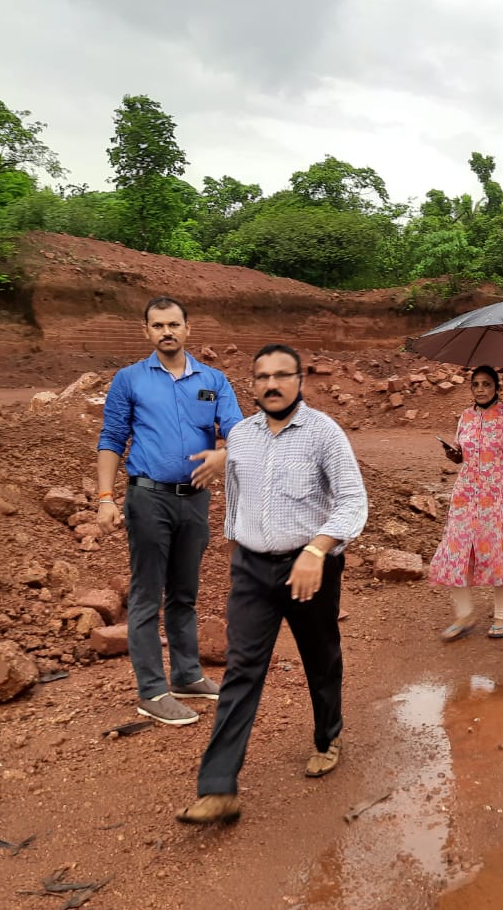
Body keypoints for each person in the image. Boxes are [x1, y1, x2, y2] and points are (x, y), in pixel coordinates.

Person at [176, 343, 368, 825]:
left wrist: (316, 550)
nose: (272, 385)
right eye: (262, 377)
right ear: (252, 384)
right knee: (242, 670)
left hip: (310, 569)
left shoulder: (325, 433)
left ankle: (328, 736)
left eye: (282, 375)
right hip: (252, 570)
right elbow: (237, 500)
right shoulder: (240, 436)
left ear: (300, 380)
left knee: (320, 659)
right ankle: (218, 787)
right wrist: (234, 546)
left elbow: (353, 502)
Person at [96, 296, 243, 726]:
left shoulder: (213, 380)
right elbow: (111, 439)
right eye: (158, 325)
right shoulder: (129, 380)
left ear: (188, 329)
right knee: (146, 595)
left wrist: (223, 454)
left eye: (174, 324)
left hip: (194, 500)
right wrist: (105, 498)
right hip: (148, 498)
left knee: (185, 592)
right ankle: (152, 692)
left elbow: (241, 433)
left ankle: (186, 675)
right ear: (147, 331)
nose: (167, 332)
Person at [429, 364, 503, 641]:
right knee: (456, 550)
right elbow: (462, 455)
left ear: (497, 388)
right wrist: (453, 454)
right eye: (475, 384)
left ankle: (501, 617)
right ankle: (464, 615)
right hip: (467, 495)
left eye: (486, 384)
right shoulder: (465, 417)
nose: (480, 389)